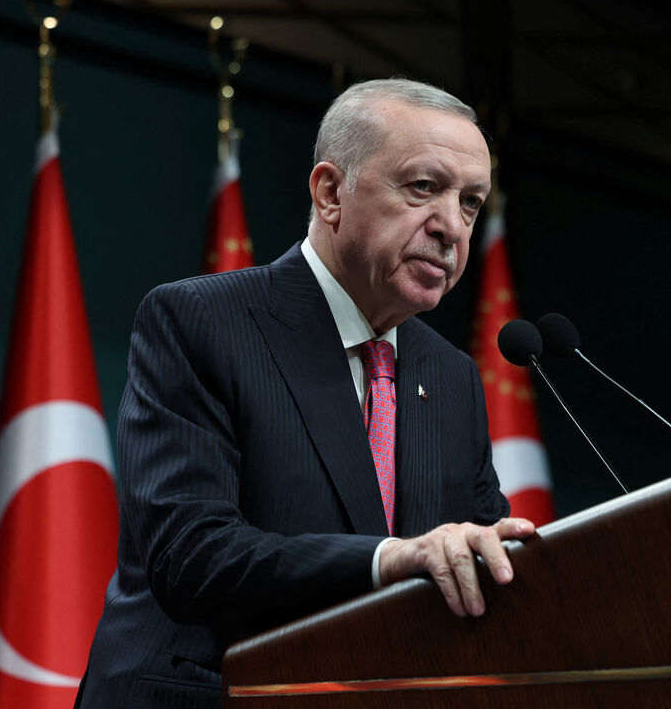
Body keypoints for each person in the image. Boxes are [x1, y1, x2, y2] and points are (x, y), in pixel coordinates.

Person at [74, 79, 535, 708]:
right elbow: (190, 555)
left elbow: (476, 563)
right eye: (423, 187)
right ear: (330, 193)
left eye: (471, 202)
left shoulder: (452, 376)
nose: (452, 227)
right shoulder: (201, 321)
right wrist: (387, 560)